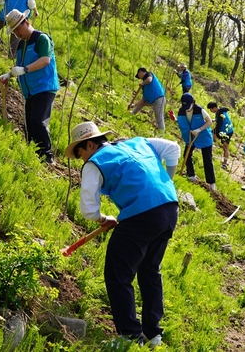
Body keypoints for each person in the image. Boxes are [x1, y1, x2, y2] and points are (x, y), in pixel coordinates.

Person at [64, 121, 180, 348]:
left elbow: (88, 207)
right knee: (149, 270)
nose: (82, 161)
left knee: (118, 274)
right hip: (169, 208)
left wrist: (101, 218)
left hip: (142, 216)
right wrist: (168, 181)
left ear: (88, 144)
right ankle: (152, 334)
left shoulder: (94, 163)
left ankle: (129, 336)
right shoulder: (138, 142)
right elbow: (173, 148)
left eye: (80, 155)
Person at [0, 9, 59, 164]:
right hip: (30, 91)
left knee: (38, 120)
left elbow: (45, 60)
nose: (17, 33)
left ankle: (47, 156)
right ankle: (33, 156)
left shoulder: (41, 39)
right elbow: (19, 67)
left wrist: (25, 70)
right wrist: (9, 75)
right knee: (30, 124)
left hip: (44, 87)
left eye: (18, 29)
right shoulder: (21, 46)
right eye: (14, 31)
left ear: (27, 22)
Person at [177, 93, 217, 191]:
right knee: (186, 155)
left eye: (188, 105)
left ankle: (212, 183)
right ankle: (191, 175)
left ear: (193, 102)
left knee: (207, 159)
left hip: (204, 137)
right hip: (191, 137)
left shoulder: (200, 110)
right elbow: (182, 122)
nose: (187, 108)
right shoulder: (182, 111)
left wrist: (199, 130)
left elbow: (209, 121)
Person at [128, 67, 166, 133]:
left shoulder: (149, 74)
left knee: (159, 118)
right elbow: (143, 100)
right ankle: (132, 113)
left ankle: (161, 134)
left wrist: (143, 83)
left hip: (159, 98)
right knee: (142, 103)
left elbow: (149, 80)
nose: (139, 78)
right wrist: (133, 105)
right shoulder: (145, 85)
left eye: (138, 76)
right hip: (152, 100)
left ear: (140, 72)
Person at [207, 101, 234, 170]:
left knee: (225, 147)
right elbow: (218, 121)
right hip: (226, 130)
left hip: (227, 132)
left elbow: (219, 125)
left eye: (211, 109)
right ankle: (210, 155)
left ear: (215, 108)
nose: (211, 111)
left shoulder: (220, 113)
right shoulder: (220, 111)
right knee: (223, 146)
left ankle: (224, 163)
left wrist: (215, 133)